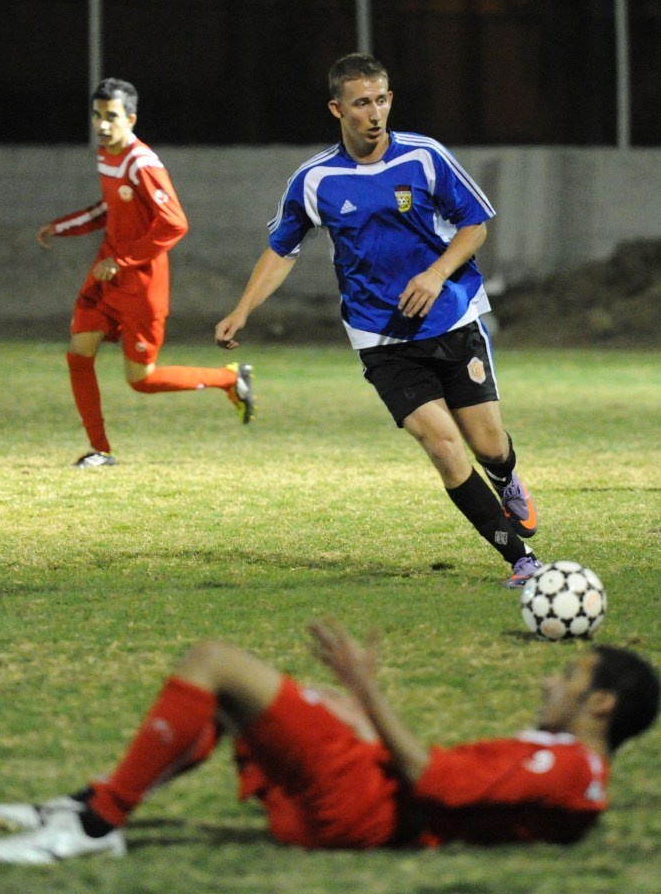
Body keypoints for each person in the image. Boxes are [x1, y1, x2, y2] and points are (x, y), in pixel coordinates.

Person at [215, 53, 538, 587]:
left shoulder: (425, 158)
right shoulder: (315, 179)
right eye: (362, 103)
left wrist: (435, 274)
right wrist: (242, 309)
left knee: (487, 444)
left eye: (382, 99)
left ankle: (505, 476)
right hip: (380, 337)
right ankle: (520, 559)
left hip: (453, 319)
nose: (374, 113)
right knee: (443, 446)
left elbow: (475, 225)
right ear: (336, 108)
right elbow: (281, 250)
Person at [0, 618, 659, 863]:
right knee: (231, 699)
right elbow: (446, 783)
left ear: (599, 705)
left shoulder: (568, 770)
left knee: (214, 662)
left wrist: (367, 693)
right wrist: (359, 716)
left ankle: (97, 825)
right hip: (372, 798)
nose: (549, 679)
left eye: (567, 675)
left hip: (362, 807)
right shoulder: (569, 766)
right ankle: (91, 804)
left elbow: (432, 784)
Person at [37, 77, 255, 468]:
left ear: (131, 119)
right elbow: (109, 209)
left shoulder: (142, 163)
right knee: (78, 354)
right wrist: (63, 226)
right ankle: (100, 451)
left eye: (112, 117)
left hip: (141, 284)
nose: (102, 125)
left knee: (141, 379)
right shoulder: (106, 155)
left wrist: (123, 260)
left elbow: (175, 223)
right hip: (105, 278)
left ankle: (229, 379)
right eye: (97, 115)